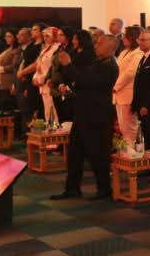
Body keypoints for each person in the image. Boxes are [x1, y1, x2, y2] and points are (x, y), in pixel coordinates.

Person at [50, 35, 119, 201]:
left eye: (100, 43)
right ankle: (72, 188)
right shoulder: (97, 62)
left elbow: (87, 81)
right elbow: (81, 81)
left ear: (111, 47)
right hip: (83, 113)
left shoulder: (110, 66)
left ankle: (104, 189)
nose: (96, 45)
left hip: (97, 116)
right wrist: (71, 89)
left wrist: (68, 65)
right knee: (74, 154)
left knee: (98, 154)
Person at [112, 26, 143, 142]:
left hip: (127, 92)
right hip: (118, 94)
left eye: (126, 36)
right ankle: (126, 148)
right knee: (122, 126)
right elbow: (116, 70)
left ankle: (131, 148)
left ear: (133, 38)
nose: (123, 38)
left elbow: (131, 72)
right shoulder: (124, 52)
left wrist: (115, 86)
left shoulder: (139, 52)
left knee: (129, 126)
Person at [0, 30, 22, 98]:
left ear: (15, 37)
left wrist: (1, 69)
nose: (7, 38)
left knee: (8, 102)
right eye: (6, 36)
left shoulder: (17, 49)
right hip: (1, 81)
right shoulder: (8, 49)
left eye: (9, 36)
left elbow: (14, 65)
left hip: (9, 81)